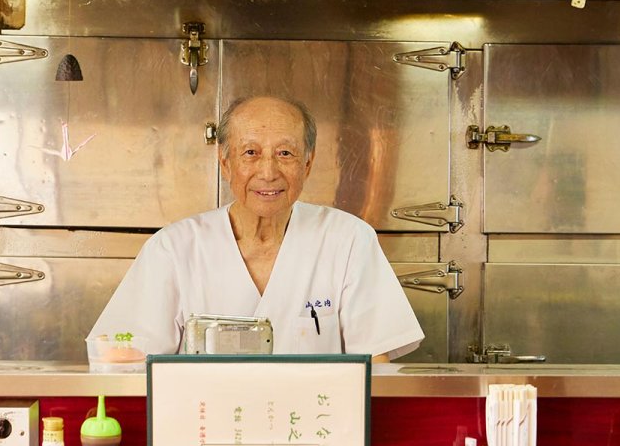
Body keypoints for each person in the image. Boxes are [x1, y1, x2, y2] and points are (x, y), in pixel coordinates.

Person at [88, 95, 424, 361]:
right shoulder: (173, 249)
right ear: (225, 163)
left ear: (307, 163)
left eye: (285, 153)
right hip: (205, 433)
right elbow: (124, 359)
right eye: (250, 152)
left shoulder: (349, 240)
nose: (268, 172)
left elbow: (376, 364)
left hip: (315, 434)